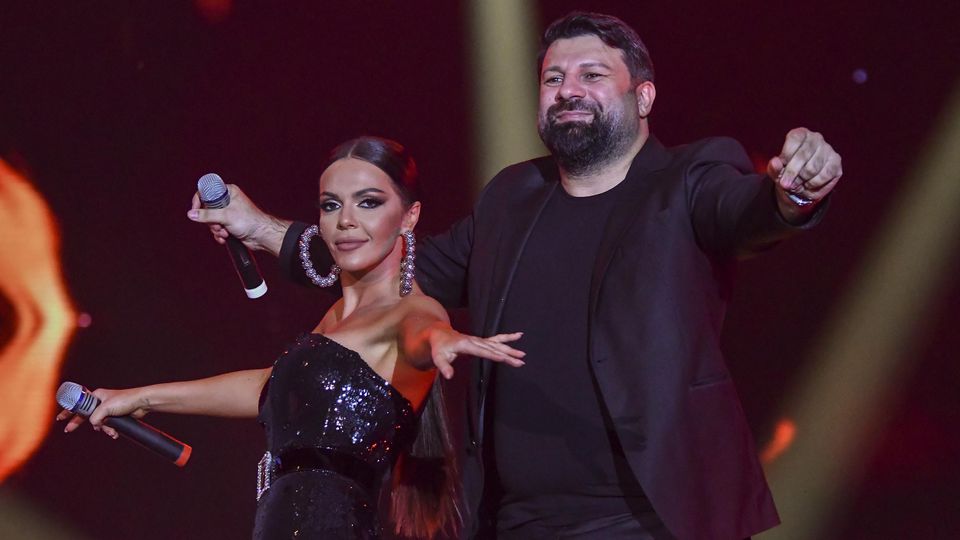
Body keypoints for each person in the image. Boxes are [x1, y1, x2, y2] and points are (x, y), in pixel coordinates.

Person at [187, 12, 843, 540]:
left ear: (643, 95)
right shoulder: (512, 197)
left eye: (591, 74)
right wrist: (261, 229)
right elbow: (398, 271)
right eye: (554, 78)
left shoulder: (689, 177)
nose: (568, 89)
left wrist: (794, 194)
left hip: (648, 517)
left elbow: (750, 211)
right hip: (517, 520)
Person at [58, 136, 526, 540]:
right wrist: (138, 397)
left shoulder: (411, 311)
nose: (345, 220)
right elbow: (268, 388)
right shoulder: (336, 319)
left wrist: (443, 340)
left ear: (409, 216)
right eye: (331, 205)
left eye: (368, 202)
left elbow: (424, 330)